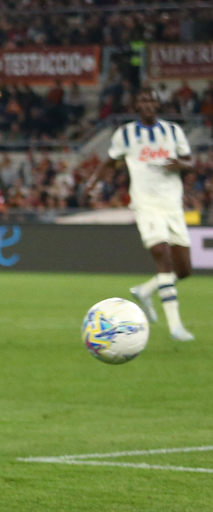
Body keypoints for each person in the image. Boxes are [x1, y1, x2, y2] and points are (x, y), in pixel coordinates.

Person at [86, 89, 195, 341]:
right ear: (136, 105)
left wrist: (179, 164)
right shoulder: (125, 134)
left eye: (152, 100)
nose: (148, 104)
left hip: (172, 205)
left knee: (184, 270)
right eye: (143, 100)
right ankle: (175, 326)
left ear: (158, 103)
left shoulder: (173, 131)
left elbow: (189, 161)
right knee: (161, 253)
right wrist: (93, 182)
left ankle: (146, 290)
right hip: (145, 204)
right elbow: (110, 162)